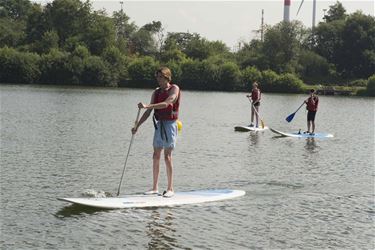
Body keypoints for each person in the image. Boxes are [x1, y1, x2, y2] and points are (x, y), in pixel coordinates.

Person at [131, 67, 180, 198]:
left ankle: (170, 188)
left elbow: (166, 103)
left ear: (167, 77)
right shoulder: (156, 92)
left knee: (167, 156)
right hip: (159, 125)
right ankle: (154, 188)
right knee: (156, 155)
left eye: (160, 77)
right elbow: (148, 112)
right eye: (157, 77)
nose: (158, 79)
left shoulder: (174, 89)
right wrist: (137, 126)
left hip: (170, 125)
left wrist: (148, 105)